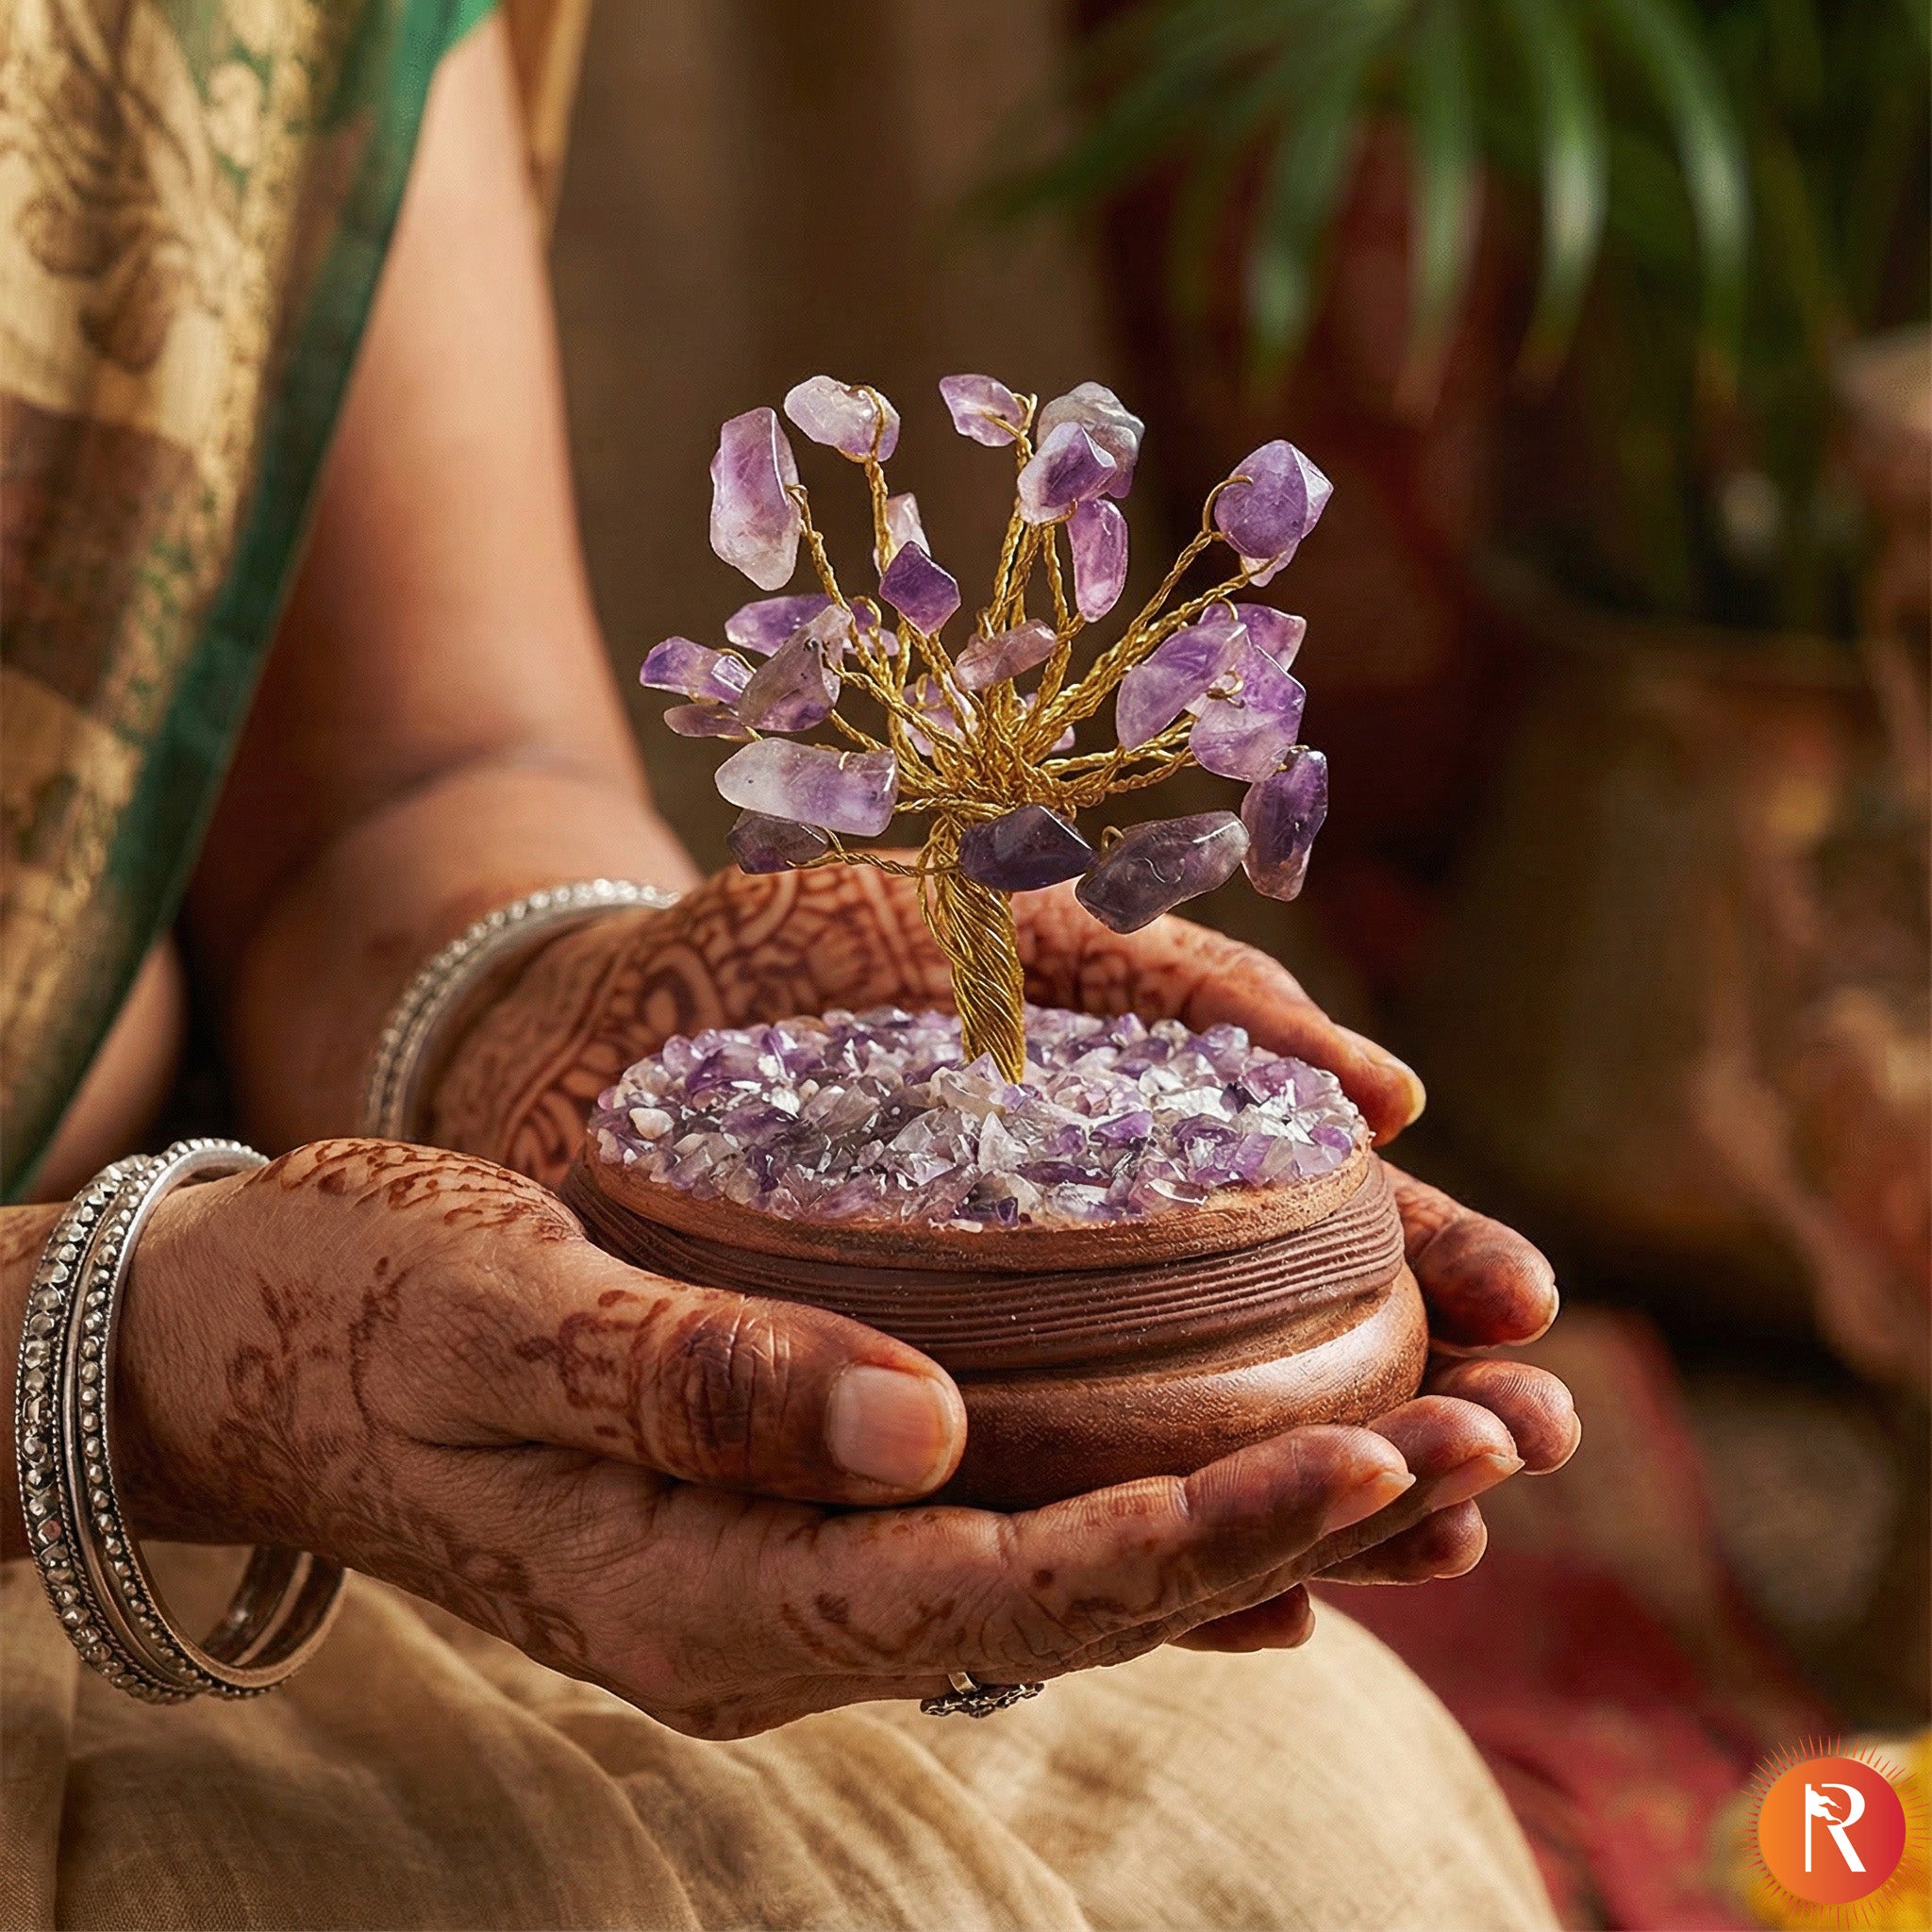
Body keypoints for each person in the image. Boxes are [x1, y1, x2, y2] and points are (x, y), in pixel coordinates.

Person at [2, 8, 1576, 1925]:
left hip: (324, 1374)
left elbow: (403, 784)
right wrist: (123, 1367)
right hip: (164, 1483)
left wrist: (555, 1002)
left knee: (1325, 1833)